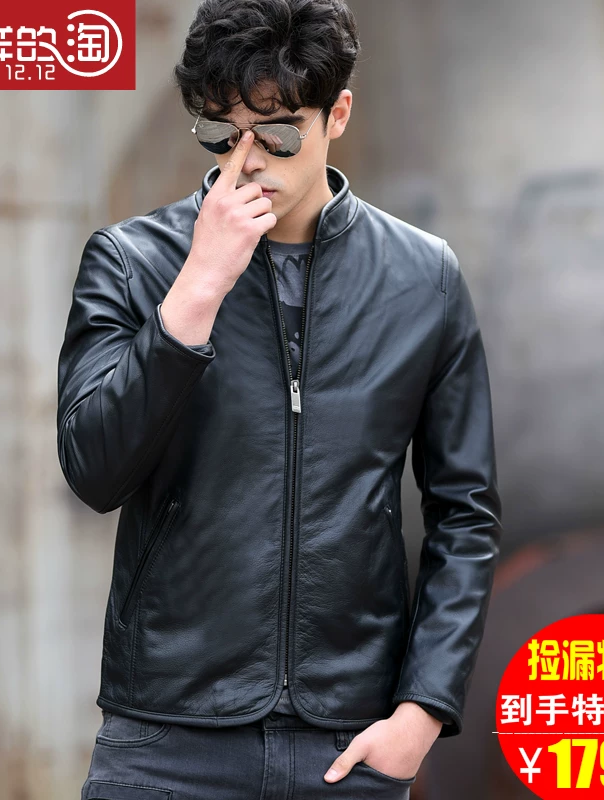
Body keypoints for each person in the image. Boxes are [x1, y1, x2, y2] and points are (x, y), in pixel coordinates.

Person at [57, 1, 503, 797]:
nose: (247, 159)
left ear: (338, 115)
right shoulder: (132, 262)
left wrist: (422, 712)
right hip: (166, 740)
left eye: (278, 133)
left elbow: (464, 513)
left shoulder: (423, 278)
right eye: (222, 131)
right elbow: (94, 471)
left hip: (349, 740)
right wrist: (199, 286)